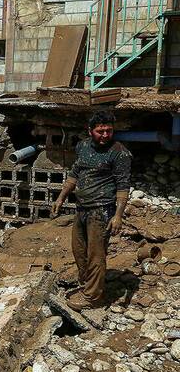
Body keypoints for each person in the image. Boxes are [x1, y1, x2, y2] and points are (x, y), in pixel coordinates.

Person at [52, 111, 131, 312]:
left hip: (102, 210)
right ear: (90, 131)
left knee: (96, 255)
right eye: (100, 131)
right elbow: (75, 174)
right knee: (79, 250)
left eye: (109, 131)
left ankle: (93, 297)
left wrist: (118, 215)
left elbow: (123, 186)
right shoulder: (83, 147)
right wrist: (61, 197)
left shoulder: (119, 153)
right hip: (81, 209)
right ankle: (87, 284)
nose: (105, 135)